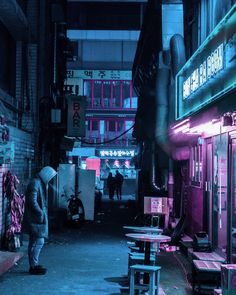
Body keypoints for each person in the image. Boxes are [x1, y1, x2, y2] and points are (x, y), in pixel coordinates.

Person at [23, 166, 57, 275]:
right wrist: (40, 212)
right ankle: (33, 266)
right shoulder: (35, 183)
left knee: (34, 242)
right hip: (35, 219)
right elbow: (31, 200)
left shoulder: (38, 182)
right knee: (39, 241)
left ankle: (33, 265)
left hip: (36, 218)